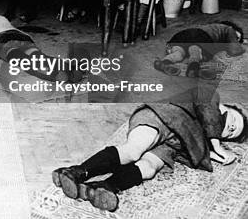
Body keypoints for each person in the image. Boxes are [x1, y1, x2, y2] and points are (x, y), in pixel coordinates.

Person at [52, 90, 247, 212]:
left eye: (230, 134)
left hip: (172, 145)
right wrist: (217, 145)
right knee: (133, 150)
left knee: (149, 167)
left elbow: (191, 153)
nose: (228, 130)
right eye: (233, 123)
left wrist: (212, 154)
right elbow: (209, 113)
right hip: (163, 116)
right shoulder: (210, 97)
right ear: (226, 108)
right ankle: (76, 172)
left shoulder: (206, 139)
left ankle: (103, 188)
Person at [154, 21, 244, 79]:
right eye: (237, 37)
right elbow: (235, 50)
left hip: (181, 35)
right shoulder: (229, 29)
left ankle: (165, 62)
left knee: (179, 53)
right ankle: (193, 68)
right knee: (195, 50)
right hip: (200, 36)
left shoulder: (209, 27)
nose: (237, 40)